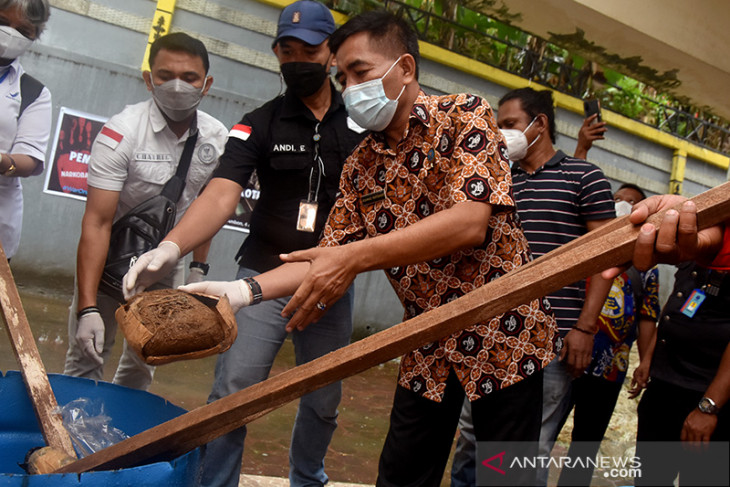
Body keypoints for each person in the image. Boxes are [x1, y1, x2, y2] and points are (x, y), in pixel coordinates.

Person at [128, 10, 558, 486]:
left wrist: (353, 257)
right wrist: (241, 292)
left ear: (406, 68)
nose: (351, 88)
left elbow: (470, 222)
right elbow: (325, 257)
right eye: (343, 75)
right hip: (427, 343)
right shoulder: (362, 166)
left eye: (361, 72)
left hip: (505, 333)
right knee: (402, 474)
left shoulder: (464, 116)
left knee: (505, 476)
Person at [124, 3, 366, 485]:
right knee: (233, 392)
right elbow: (220, 193)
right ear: (276, 52)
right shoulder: (259, 123)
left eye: (310, 50)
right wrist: (170, 247)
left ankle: (307, 478)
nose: (298, 60)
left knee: (322, 400)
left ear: (332, 53)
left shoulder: (362, 122)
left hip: (329, 281)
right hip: (257, 276)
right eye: (287, 50)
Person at [450, 90, 616, 486]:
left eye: (507, 125)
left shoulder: (583, 177)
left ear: (539, 124)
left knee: (525, 451)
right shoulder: (498, 182)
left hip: (554, 338)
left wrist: (585, 327)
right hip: (492, 335)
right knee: (472, 440)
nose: (500, 134)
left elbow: (607, 258)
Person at [62, 32, 227, 391]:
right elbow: (97, 221)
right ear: (148, 79)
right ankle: (69, 436)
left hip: (167, 258)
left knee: (145, 357)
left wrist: (198, 270)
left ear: (207, 84)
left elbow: (206, 209)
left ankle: (123, 438)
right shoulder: (121, 132)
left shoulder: (216, 137)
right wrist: (87, 307)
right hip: (110, 256)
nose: (177, 86)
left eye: (190, 78)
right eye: (165, 75)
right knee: (88, 352)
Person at [616, 194, 729, 486]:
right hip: (665, 387)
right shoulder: (699, 249)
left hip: (705, 395)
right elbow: (673, 313)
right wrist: (648, 362)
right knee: (650, 478)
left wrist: (709, 406)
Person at [556, 183, 660, 486]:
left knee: (586, 440)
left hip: (610, 366)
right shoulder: (588, 243)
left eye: (631, 202)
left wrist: (647, 360)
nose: (622, 205)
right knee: (546, 427)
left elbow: (647, 315)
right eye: (617, 199)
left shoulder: (646, 262)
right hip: (569, 354)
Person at [0, 0, 51, 260]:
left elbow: (30, 160)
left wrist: (2, 160)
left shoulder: (33, 93)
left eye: (23, 30)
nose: (10, 34)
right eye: (3, 22)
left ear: (34, 36)